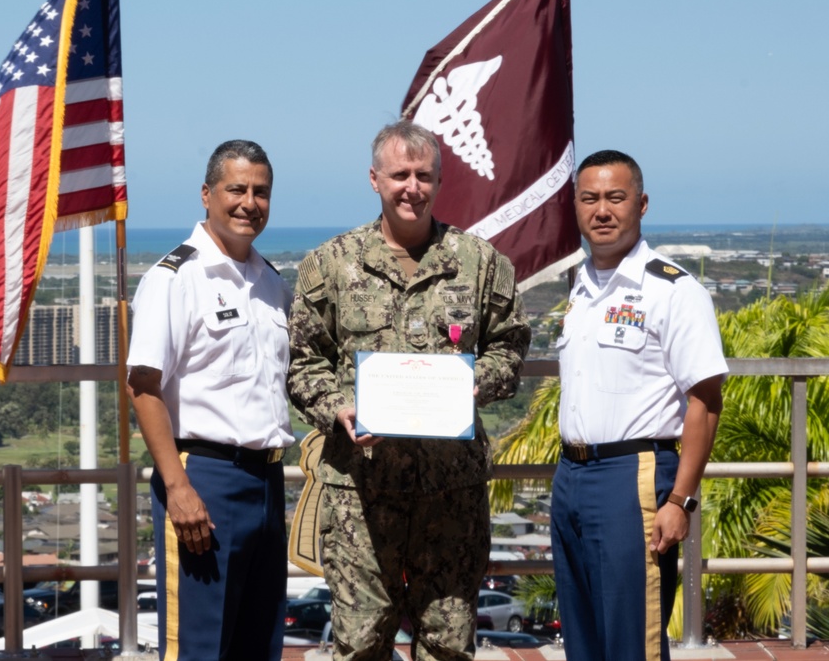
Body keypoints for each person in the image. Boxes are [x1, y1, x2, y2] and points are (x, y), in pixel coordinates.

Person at [288, 120, 532, 660]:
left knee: (447, 645)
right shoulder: (333, 263)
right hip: (360, 494)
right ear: (374, 179)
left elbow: (510, 351)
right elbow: (303, 364)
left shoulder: (479, 263)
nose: (411, 188)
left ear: (440, 182)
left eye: (424, 175)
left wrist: (472, 385)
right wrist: (340, 408)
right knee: (359, 645)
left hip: (450, 493)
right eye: (400, 175)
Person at [551, 150, 726, 661]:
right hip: (571, 476)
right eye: (589, 199)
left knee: (634, 643)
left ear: (641, 204)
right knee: (582, 640)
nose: (601, 210)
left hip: (634, 477)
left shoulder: (673, 290)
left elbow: (706, 401)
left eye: (615, 197)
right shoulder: (581, 287)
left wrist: (680, 501)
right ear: (576, 208)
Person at [126, 140, 294, 661]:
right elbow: (142, 385)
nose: (249, 203)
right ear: (207, 194)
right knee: (198, 648)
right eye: (236, 189)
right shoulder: (175, 278)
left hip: (267, 483)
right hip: (205, 481)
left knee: (258, 645)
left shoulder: (272, 284)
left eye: (261, 192)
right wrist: (177, 487)